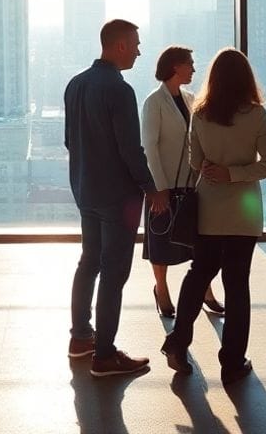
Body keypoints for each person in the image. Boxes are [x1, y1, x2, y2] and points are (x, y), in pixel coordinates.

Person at [160, 48, 266, 385]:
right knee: (237, 285)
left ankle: (178, 342)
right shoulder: (256, 115)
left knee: (199, 273)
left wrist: (219, 169)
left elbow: (195, 162)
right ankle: (232, 361)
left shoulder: (199, 113)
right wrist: (236, 173)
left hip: (208, 208)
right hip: (243, 210)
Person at [65, 19, 170, 377]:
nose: (140, 51)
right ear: (120, 45)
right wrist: (151, 187)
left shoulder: (75, 85)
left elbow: (70, 141)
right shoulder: (119, 90)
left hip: (85, 190)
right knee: (113, 273)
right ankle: (105, 356)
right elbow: (130, 149)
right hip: (117, 198)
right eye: (136, 44)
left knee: (89, 261)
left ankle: (80, 338)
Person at [140, 46, 223, 319]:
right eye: (190, 64)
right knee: (161, 238)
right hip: (164, 185)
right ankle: (161, 289)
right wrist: (159, 188)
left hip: (190, 183)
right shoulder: (154, 102)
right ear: (175, 66)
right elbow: (149, 147)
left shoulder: (190, 99)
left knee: (197, 243)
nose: (194, 69)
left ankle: (205, 291)